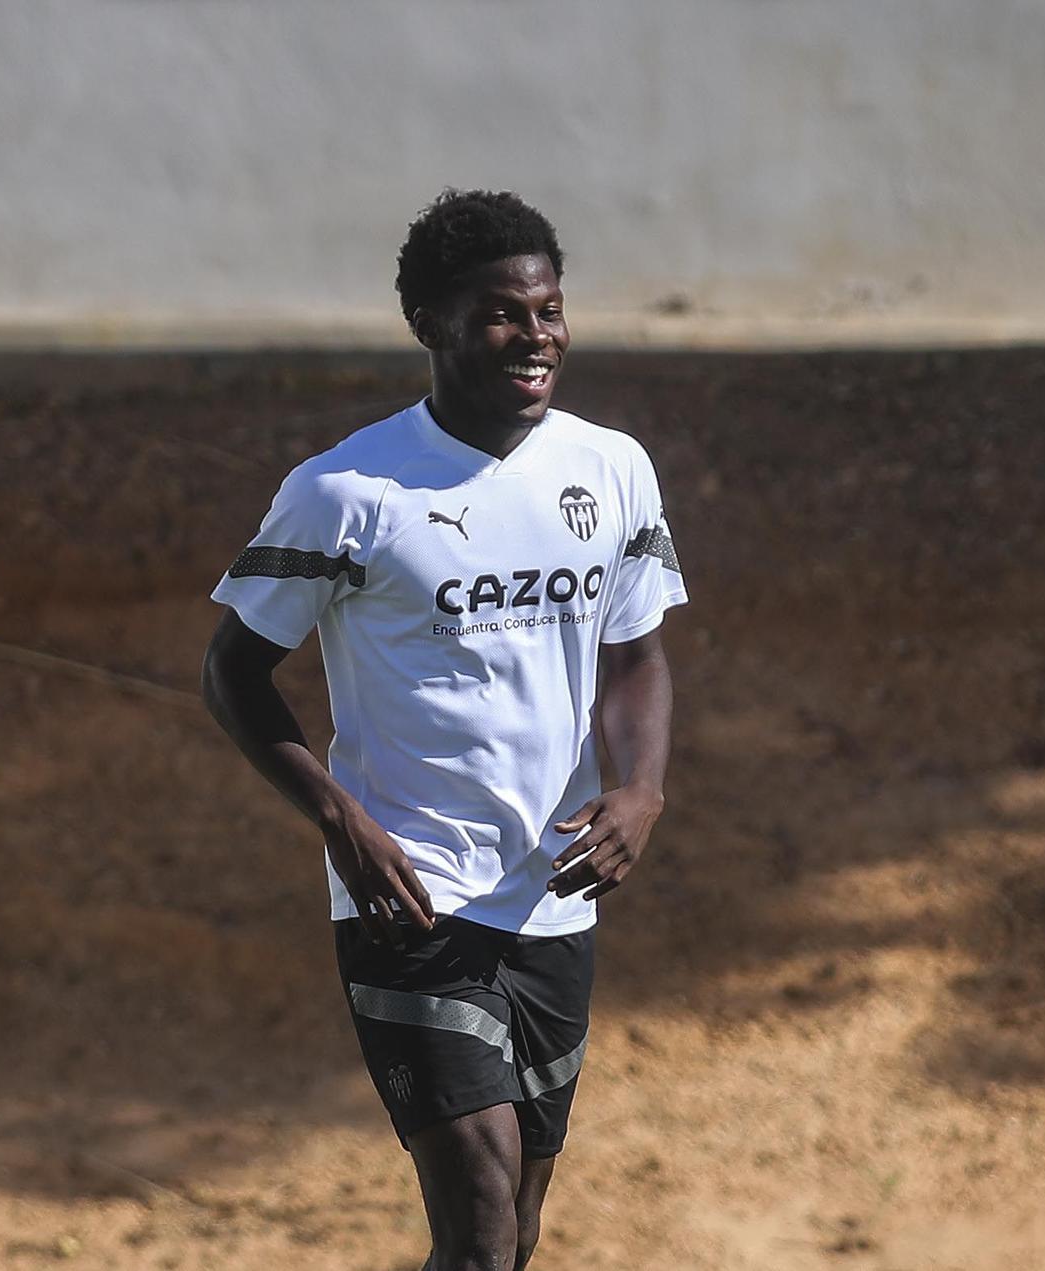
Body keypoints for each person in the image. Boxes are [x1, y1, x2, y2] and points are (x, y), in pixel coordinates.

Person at [200, 188, 687, 1271]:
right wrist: (341, 823)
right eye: (502, 313)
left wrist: (640, 788)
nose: (535, 334)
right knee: (473, 1209)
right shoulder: (344, 491)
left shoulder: (608, 469)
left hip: (551, 896)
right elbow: (231, 672)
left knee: (512, 1225)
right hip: (407, 891)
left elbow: (635, 656)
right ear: (429, 323)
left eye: (548, 308)